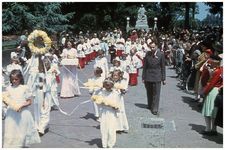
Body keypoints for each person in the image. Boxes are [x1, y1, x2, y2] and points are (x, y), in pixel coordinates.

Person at [3, 69, 41, 148]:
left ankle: (22, 144)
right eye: (12, 79)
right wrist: (6, 102)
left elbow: (29, 102)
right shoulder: (9, 88)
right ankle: (13, 145)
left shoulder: (24, 88)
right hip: (12, 112)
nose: (14, 81)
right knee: (12, 128)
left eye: (16, 79)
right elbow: (6, 101)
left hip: (23, 112)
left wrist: (21, 106)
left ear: (20, 79)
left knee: (22, 129)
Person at [200, 55, 223, 136]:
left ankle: (208, 129)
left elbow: (211, 84)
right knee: (213, 112)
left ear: (214, 62)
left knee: (208, 111)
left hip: (212, 91)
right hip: (217, 91)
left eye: (212, 61)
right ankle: (214, 129)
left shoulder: (216, 72)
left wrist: (205, 92)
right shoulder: (221, 70)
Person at [142, 42, 166, 115]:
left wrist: (163, 78)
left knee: (156, 93)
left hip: (157, 75)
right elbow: (145, 66)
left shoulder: (161, 55)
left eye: (153, 47)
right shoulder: (148, 54)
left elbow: (163, 67)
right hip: (148, 75)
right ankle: (150, 105)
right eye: (151, 47)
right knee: (149, 91)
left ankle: (155, 108)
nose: (152, 49)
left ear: (156, 47)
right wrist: (143, 77)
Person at [96, 78, 120, 148]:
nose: (108, 89)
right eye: (106, 88)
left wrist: (116, 108)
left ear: (112, 86)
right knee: (104, 128)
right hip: (104, 112)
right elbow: (99, 105)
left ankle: (111, 144)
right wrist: (98, 101)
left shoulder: (115, 94)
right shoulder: (101, 93)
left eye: (109, 88)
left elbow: (118, 104)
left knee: (111, 129)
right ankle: (104, 144)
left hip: (112, 113)